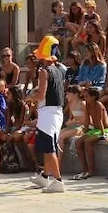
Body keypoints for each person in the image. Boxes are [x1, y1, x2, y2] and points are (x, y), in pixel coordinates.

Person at [27, 35, 68, 193]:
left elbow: (41, 95)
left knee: (49, 148)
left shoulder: (44, 71)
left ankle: (58, 180)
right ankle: (45, 176)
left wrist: (28, 98)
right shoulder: (59, 69)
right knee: (47, 146)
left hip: (47, 113)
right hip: (56, 112)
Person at [73, 87, 108, 179]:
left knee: (87, 142)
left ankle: (91, 170)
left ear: (93, 97)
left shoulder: (99, 105)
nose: (85, 97)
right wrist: (84, 132)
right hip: (94, 130)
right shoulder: (87, 104)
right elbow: (87, 120)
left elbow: (100, 121)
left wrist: (103, 135)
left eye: (87, 96)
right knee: (78, 142)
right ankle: (84, 170)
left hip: (104, 130)